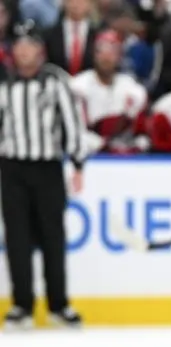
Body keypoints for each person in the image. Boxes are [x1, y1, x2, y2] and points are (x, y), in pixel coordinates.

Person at [0, 20, 86, 330]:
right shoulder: (4, 83)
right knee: (17, 239)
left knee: (53, 237)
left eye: (30, 45)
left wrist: (77, 163)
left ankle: (58, 304)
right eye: (19, 46)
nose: (24, 52)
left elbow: (72, 123)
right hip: (12, 167)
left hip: (47, 166)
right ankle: (22, 305)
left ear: (40, 49)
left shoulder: (55, 81)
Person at [71, 29, 150, 155]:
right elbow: (75, 130)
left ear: (120, 56)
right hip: (88, 154)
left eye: (112, 52)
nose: (106, 58)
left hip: (123, 154)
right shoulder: (78, 85)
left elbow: (140, 132)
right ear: (94, 55)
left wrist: (135, 146)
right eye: (101, 52)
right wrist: (102, 145)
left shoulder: (131, 87)